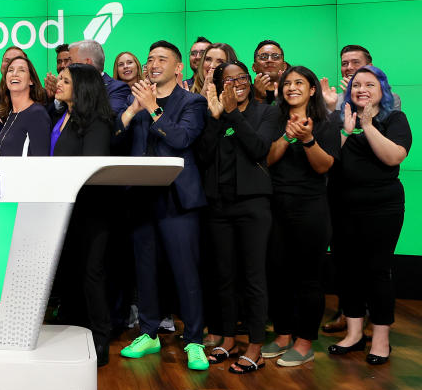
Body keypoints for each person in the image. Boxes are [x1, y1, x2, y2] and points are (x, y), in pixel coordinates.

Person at [116, 41, 209, 372]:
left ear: (179, 67)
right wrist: (131, 111)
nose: (153, 64)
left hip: (177, 200)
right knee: (146, 271)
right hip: (142, 197)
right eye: (150, 59)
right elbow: (115, 140)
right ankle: (149, 332)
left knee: (186, 272)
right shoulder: (134, 100)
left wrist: (154, 108)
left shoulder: (193, 102)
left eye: (161, 59)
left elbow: (182, 139)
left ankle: (195, 340)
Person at [196, 62, 279, 373]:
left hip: (252, 205)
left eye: (241, 78)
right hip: (218, 206)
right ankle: (228, 339)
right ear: (218, 85)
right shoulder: (212, 114)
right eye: (227, 80)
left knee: (253, 277)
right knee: (225, 277)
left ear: (249, 80)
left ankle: (255, 345)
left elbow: (259, 149)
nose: (236, 84)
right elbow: (203, 156)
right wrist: (218, 119)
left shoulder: (266, 112)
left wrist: (233, 114)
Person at [328, 66, 410, 365]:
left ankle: (380, 337)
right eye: (356, 84)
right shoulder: (339, 120)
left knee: (378, 270)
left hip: (382, 206)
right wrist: (346, 132)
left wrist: (368, 125)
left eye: (370, 84)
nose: (361, 89)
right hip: (340, 205)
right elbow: (326, 162)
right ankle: (353, 333)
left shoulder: (394, 118)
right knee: (347, 269)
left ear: (383, 90)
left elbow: (393, 157)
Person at [263, 66, 339, 366]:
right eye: (287, 83)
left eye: (299, 83)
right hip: (276, 205)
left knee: (309, 278)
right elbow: (267, 159)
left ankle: (305, 342)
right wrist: (287, 136)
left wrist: (307, 139)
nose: (291, 87)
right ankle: (282, 335)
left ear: (312, 90)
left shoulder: (326, 123)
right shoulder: (274, 119)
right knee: (278, 273)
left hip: (311, 208)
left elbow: (323, 166)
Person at [51, 63, 115, 364]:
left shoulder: (97, 122)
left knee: (92, 274)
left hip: (91, 209)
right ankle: (74, 332)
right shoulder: (64, 116)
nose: (59, 83)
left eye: (66, 80)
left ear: (83, 87)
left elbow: (91, 167)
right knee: (72, 274)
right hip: (66, 210)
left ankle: (102, 339)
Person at [0, 55, 50, 156]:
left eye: (21, 70)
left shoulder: (37, 113)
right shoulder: (10, 113)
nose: (14, 74)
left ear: (31, 80)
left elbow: (41, 161)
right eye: (10, 70)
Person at [322, 44, 402, 113]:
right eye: (344, 64)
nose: (349, 67)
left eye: (356, 62)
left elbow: (385, 129)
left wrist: (353, 98)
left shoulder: (390, 98)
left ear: (370, 67)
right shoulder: (332, 101)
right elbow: (328, 129)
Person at [252, 40, 287, 104]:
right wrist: (258, 98)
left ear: (284, 66)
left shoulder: (292, 91)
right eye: (263, 57)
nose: (269, 60)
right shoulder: (244, 92)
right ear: (254, 67)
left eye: (275, 56)